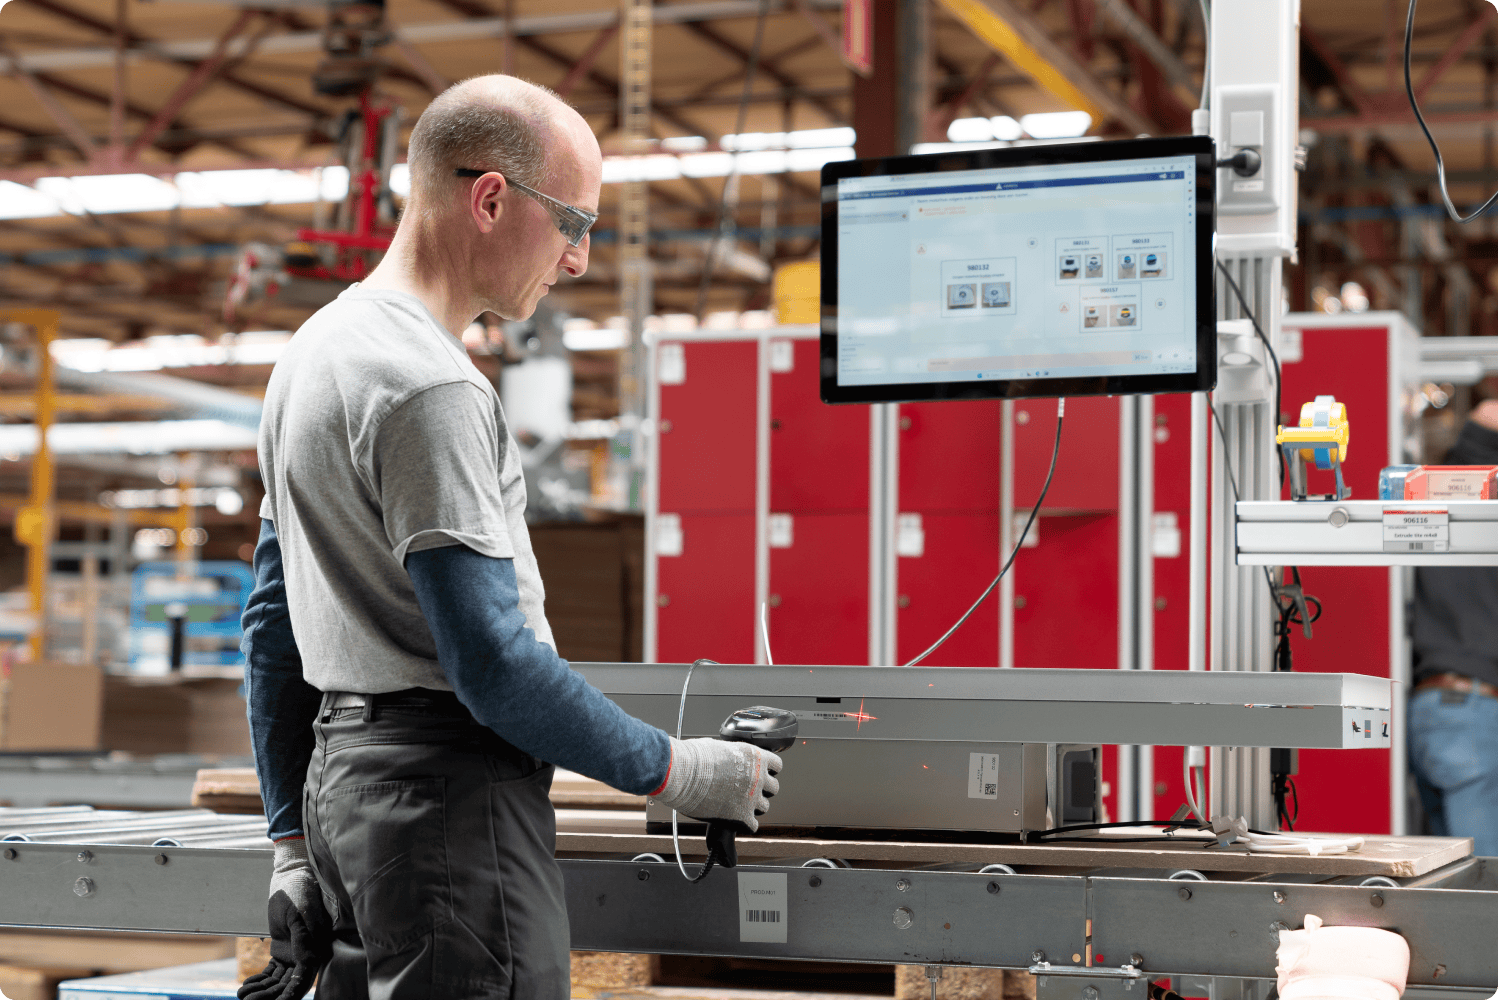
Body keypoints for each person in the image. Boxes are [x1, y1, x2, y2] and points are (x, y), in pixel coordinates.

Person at [238, 74, 783, 1000]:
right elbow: (493, 665)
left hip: (350, 798)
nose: (576, 259)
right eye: (574, 223)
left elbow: (270, 627)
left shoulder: (312, 354)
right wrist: (680, 769)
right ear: (491, 197)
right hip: (448, 810)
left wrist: (292, 839)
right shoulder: (431, 387)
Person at [1409, 398, 1498, 856]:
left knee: (1448, 881)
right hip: (1476, 715)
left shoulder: (1428, 495)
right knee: (1482, 889)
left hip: (1427, 710)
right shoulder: (1489, 507)